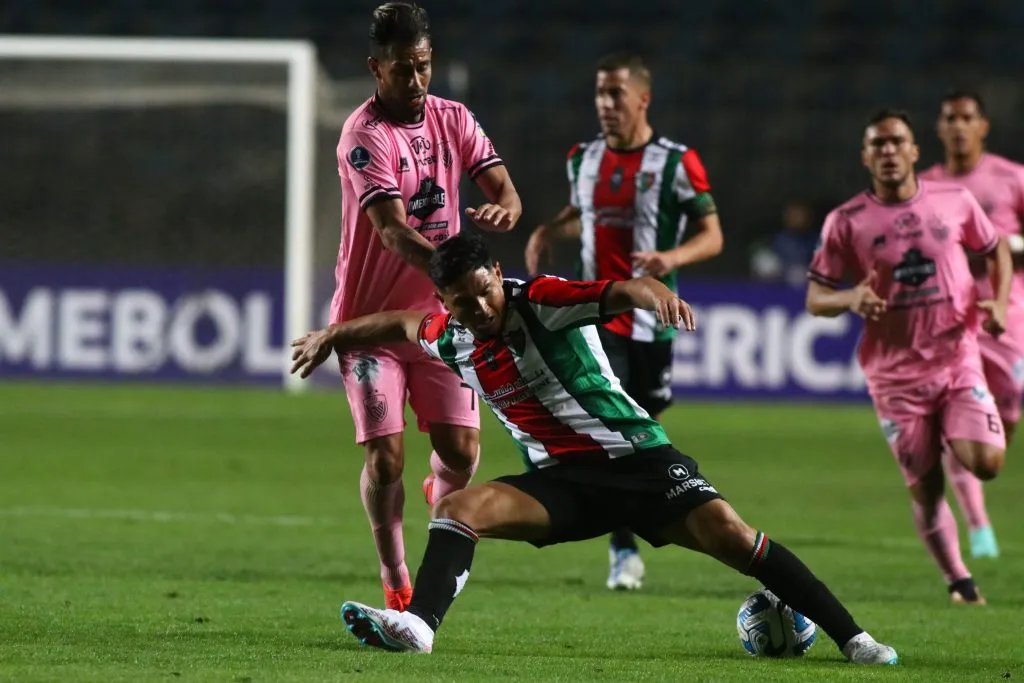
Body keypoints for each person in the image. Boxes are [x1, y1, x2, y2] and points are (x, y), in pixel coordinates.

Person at [291, 231, 898, 665]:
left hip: (638, 462)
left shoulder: (541, 302)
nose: (478, 307)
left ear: (496, 275)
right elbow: (398, 323)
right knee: (456, 511)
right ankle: (419, 627)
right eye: (461, 301)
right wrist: (331, 334)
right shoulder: (448, 336)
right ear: (444, 303)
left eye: (484, 291)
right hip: (563, 485)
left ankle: (855, 639)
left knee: (737, 539)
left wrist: (651, 291)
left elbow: (616, 290)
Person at [331, 1, 522, 612]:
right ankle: (395, 573)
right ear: (375, 69)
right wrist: (451, 271)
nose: (415, 82)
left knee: (463, 454)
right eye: (402, 70)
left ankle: (440, 500)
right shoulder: (364, 136)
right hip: (370, 321)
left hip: (445, 320)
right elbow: (390, 231)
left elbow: (503, 188)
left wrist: (507, 208)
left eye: (423, 67)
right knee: (385, 459)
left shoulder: (453, 118)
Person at [524, 52, 724, 591]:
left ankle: (642, 526)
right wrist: (548, 231)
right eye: (599, 93)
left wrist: (671, 259)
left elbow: (713, 234)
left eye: (615, 93)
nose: (605, 104)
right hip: (595, 318)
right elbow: (582, 212)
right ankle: (622, 547)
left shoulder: (677, 163)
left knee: (643, 434)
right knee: (605, 434)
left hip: (651, 327)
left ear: (642, 98)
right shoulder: (581, 158)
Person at [806, 109, 1011, 604]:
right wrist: (850, 298)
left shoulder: (955, 200)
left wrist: (1000, 301)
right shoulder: (846, 221)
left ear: (915, 151)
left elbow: (996, 247)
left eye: (897, 142)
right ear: (866, 157)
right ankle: (960, 582)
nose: (889, 151)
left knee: (986, 462)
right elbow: (816, 297)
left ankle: (956, 439)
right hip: (895, 378)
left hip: (956, 357)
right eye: (878, 145)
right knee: (926, 488)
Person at [918, 89, 1024, 559]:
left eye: (966, 118)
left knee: (1007, 417)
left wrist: (1000, 244)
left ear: (982, 125)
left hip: (1008, 317)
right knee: (957, 423)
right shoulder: (925, 186)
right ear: (939, 129)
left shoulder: (1012, 178)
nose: (958, 126)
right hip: (948, 322)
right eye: (949, 118)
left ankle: (979, 513)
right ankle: (979, 527)